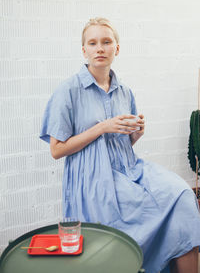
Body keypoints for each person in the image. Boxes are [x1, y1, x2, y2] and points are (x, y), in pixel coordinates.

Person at [40, 17, 200, 273]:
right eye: (92, 43)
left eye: (106, 42)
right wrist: (102, 127)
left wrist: (135, 135)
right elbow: (56, 150)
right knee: (139, 220)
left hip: (130, 169)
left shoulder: (124, 90)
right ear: (84, 50)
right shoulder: (68, 91)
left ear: (117, 48)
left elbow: (122, 144)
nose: (100, 48)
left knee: (182, 196)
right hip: (92, 179)